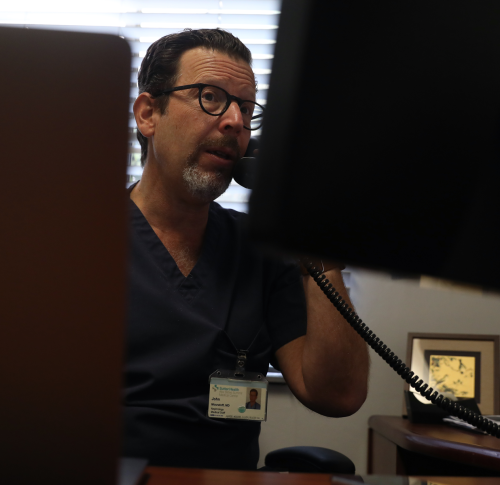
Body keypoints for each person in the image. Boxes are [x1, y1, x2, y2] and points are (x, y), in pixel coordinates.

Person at [123, 28, 370, 470]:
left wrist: (317, 244)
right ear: (148, 114)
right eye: (211, 98)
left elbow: (337, 394)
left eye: (245, 106)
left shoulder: (262, 251)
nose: (235, 120)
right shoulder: (78, 242)